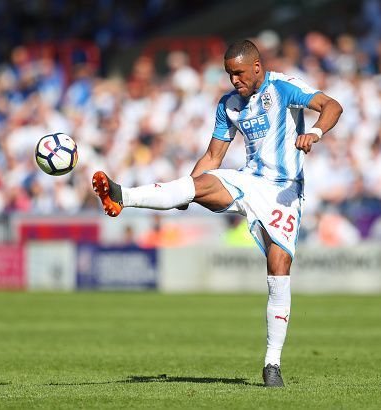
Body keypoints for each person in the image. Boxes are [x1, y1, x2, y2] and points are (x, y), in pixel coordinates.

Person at [91, 39, 343, 387]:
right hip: (248, 180)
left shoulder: (284, 87)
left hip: (284, 191)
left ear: (257, 66)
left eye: (238, 73)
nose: (234, 81)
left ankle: (272, 364)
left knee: (278, 266)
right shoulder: (229, 105)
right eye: (229, 74)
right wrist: (187, 193)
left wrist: (314, 131)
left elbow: (332, 105)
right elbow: (213, 156)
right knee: (204, 181)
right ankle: (123, 196)